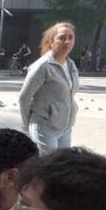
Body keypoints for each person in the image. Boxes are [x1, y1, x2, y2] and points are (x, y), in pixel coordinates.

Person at [19, 22, 79, 155]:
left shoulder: (71, 65)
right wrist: (28, 124)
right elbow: (24, 98)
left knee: (63, 164)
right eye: (62, 38)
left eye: (70, 37)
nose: (67, 41)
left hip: (65, 128)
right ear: (51, 41)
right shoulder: (42, 66)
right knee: (49, 164)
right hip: (44, 126)